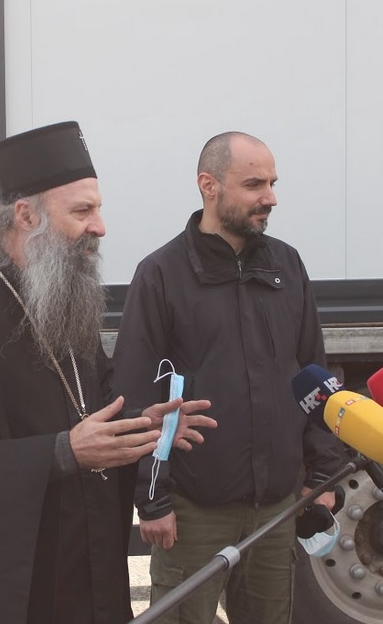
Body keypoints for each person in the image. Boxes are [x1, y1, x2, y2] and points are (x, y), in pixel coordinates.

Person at [0, 121, 216, 624]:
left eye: (98, 208)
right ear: (26, 215)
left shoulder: (63, 302)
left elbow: (93, 402)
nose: (100, 226)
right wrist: (61, 453)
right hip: (19, 594)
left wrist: (145, 423)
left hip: (90, 578)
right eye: (82, 211)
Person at [111, 131, 345, 624]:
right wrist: (152, 501)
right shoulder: (160, 275)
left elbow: (316, 376)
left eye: (273, 184)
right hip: (195, 512)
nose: (271, 198)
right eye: (254, 184)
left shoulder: (287, 265)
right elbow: (136, 395)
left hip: (277, 509)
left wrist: (323, 477)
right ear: (209, 186)